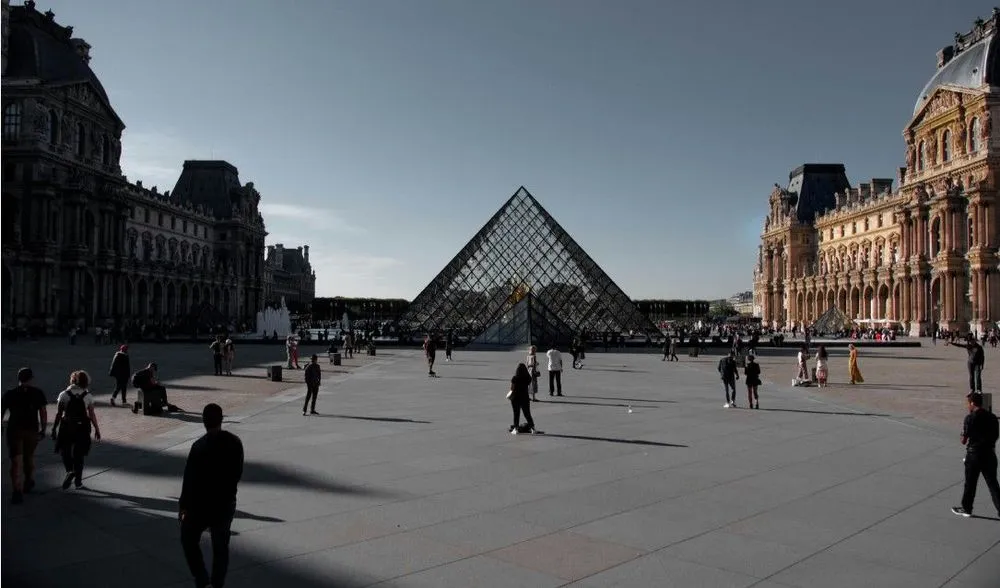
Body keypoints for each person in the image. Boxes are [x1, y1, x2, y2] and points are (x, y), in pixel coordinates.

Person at [179, 403, 244, 588]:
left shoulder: (199, 446)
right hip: (224, 503)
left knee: (188, 538)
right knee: (220, 546)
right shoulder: (235, 442)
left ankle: (201, 577)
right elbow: (237, 473)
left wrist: (183, 506)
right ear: (222, 420)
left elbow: (189, 479)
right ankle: (217, 584)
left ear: (204, 422)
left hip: (201, 505)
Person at [2, 368, 48, 504]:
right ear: (31, 379)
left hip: (14, 431)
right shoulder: (37, 393)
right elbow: (43, 412)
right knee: (29, 457)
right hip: (32, 430)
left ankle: (17, 491)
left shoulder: (9, 394)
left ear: (19, 379)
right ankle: (28, 481)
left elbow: (1, 411)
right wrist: (43, 429)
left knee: (16, 461)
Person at [952, 393, 1000, 518]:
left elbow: (963, 440)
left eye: (968, 403)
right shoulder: (993, 417)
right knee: (993, 484)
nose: (967, 406)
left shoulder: (970, 418)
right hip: (989, 454)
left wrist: (964, 435)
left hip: (974, 454)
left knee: (970, 483)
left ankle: (967, 508)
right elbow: (996, 436)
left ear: (972, 403)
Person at [52, 370, 101, 490]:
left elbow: (59, 413)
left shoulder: (64, 394)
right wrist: (97, 429)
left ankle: (69, 471)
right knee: (79, 455)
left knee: (65, 450)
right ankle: (78, 482)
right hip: (82, 427)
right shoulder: (88, 396)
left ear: (72, 381)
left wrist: (54, 428)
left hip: (67, 426)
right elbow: (92, 414)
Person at [508, 363, 536, 434]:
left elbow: (512, 388)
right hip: (525, 397)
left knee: (516, 414)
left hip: (515, 397)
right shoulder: (528, 378)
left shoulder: (515, 378)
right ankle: (532, 428)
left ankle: (516, 428)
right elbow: (529, 383)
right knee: (527, 413)